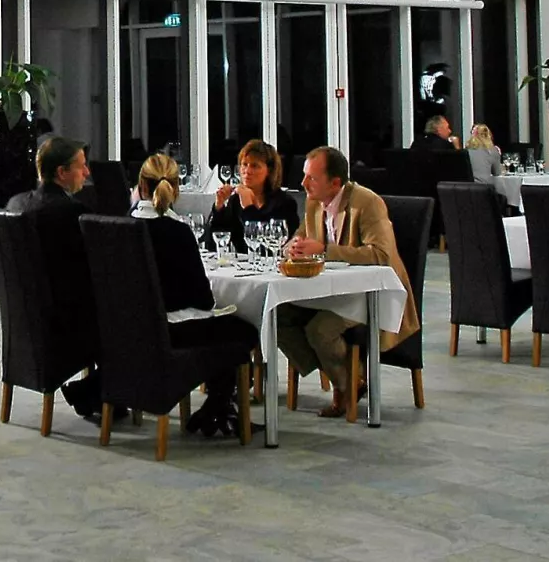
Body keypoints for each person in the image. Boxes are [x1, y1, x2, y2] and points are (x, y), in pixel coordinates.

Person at [279, 147, 421, 417]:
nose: (303, 183)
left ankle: (344, 386)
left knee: (321, 330)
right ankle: (348, 379)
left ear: (335, 183)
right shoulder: (313, 202)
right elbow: (299, 238)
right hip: (328, 290)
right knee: (278, 315)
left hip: (369, 292)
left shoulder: (366, 203)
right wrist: (292, 248)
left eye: (311, 178)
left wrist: (324, 250)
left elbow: (380, 255)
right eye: (304, 176)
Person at [130, 154, 257, 438]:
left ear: (141, 186)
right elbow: (202, 300)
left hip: (133, 328)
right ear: (176, 188)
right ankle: (218, 405)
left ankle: (218, 407)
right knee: (244, 331)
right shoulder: (177, 231)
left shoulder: (123, 227)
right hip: (172, 332)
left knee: (222, 327)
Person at [4, 138, 102, 417]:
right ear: (62, 172)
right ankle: (93, 393)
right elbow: (95, 267)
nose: (87, 173)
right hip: (65, 326)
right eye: (81, 167)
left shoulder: (16, 204)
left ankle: (98, 396)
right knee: (131, 325)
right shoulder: (72, 214)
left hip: (26, 322)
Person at [204, 139, 301, 253]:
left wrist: (248, 208)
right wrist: (218, 208)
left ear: (269, 171)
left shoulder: (284, 203)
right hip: (243, 263)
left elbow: (266, 249)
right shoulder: (235, 200)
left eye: (255, 166)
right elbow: (212, 245)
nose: (247, 171)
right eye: (244, 164)